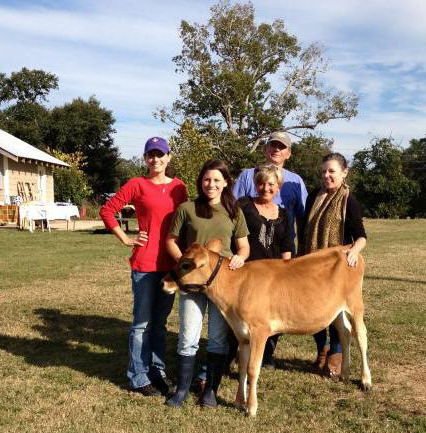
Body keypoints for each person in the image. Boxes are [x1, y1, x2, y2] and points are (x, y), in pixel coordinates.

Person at [99, 137, 187, 397]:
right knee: (141, 324)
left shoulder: (179, 187)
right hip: (145, 264)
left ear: (169, 157)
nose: (155, 159)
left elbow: (186, 221)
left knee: (160, 323)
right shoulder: (137, 184)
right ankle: (138, 376)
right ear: (145, 158)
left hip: (170, 264)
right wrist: (126, 238)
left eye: (160, 155)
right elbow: (107, 210)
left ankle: (157, 371)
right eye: (151, 155)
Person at [165, 159, 250, 408]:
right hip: (191, 283)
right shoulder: (187, 208)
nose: (210, 184)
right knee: (188, 336)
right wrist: (185, 263)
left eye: (216, 180)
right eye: (206, 179)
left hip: (221, 284)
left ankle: (210, 389)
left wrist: (239, 257)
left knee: (217, 339)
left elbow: (244, 246)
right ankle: (181, 389)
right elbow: (171, 240)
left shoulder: (234, 211)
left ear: (225, 183)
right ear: (200, 181)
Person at [299, 152, 367, 379]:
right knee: (312, 309)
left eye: (332, 171)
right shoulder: (312, 197)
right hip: (311, 264)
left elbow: (361, 236)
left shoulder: (349, 200)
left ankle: (336, 354)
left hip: (335, 269)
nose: (327, 176)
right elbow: (303, 230)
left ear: (344, 173)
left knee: (336, 310)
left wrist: (354, 253)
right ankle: (322, 350)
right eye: (324, 172)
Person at [232, 163, 294, 369]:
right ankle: (236, 352)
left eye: (270, 184)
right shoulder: (243, 206)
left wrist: (288, 271)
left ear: (278, 187)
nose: (265, 188)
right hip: (247, 272)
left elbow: (287, 244)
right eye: (260, 183)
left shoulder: (284, 214)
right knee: (242, 314)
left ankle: (267, 353)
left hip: (275, 274)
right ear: (255, 184)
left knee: (275, 314)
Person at [233, 130, 308, 244]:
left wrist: (303, 247)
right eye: (273, 144)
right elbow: (233, 212)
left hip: (284, 251)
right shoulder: (247, 176)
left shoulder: (296, 181)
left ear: (288, 154)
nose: (277, 149)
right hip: (250, 249)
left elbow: (303, 219)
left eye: (282, 146)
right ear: (265, 149)